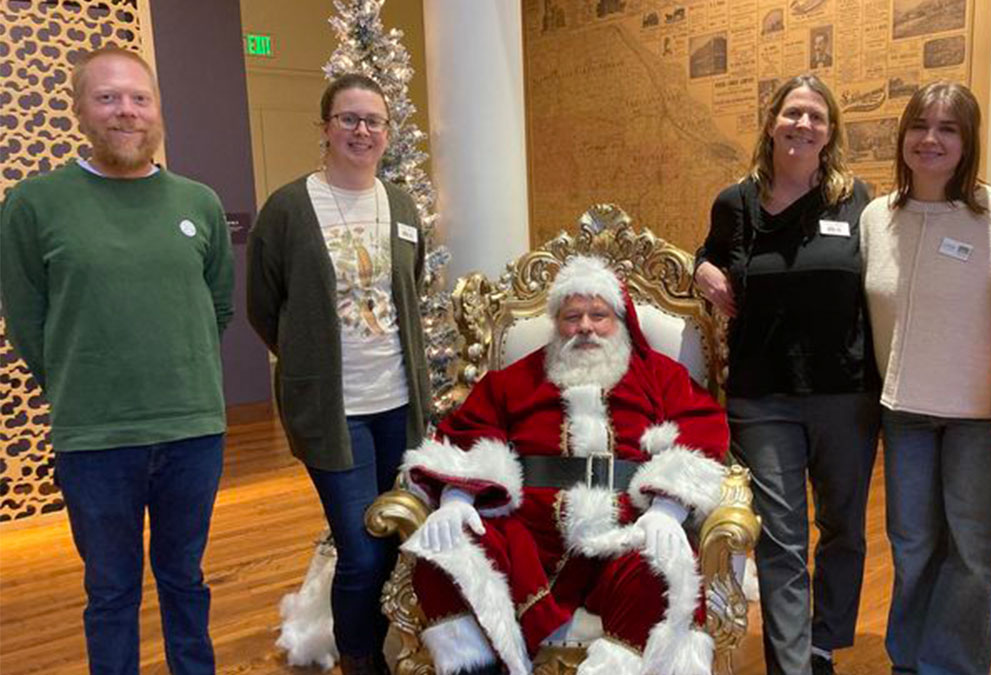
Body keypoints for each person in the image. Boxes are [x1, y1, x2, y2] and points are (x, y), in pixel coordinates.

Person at [0, 47, 233, 674]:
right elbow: (26, 319)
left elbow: (216, 307)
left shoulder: (199, 203)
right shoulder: (34, 205)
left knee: (186, 580)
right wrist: (86, 382)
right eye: (107, 98)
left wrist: (177, 370)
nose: (125, 111)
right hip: (96, 439)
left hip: (192, 432)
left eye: (138, 98)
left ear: (157, 111)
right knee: (110, 592)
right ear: (79, 109)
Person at [400, 255, 729, 675]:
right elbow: (471, 431)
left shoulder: (660, 377)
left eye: (598, 315)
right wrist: (459, 496)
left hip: (627, 529)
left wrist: (669, 509)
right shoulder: (515, 380)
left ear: (619, 320)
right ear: (556, 322)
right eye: (573, 316)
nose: (586, 327)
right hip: (530, 536)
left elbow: (701, 428)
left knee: (662, 573)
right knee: (445, 554)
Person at [245, 74, 432, 675]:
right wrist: (307, 362)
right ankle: (360, 659)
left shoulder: (401, 205)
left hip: (400, 407)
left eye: (374, 120)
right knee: (358, 548)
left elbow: (412, 284)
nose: (362, 131)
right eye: (349, 119)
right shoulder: (289, 209)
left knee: (400, 538)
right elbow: (263, 305)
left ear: (387, 130)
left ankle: (396, 645)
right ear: (325, 128)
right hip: (334, 412)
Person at [695, 75, 880, 675]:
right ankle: (792, 664)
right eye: (793, 114)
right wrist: (701, 270)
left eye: (816, 118)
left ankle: (823, 641)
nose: (803, 125)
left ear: (831, 133)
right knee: (781, 539)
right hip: (762, 394)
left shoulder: (859, 202)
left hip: (844, 393)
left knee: (843, 528)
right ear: (771, 122)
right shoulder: (735, 202)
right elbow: (708, 254)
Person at [860, 82, 991, 675]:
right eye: (919, 125)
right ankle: (910, 660)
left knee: (974, 552)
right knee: (912, 547)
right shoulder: (878, 217)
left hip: (977, 413)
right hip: (903, 413)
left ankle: (951, 667)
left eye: (948, 128)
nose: (930, 139)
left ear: (969, 141)